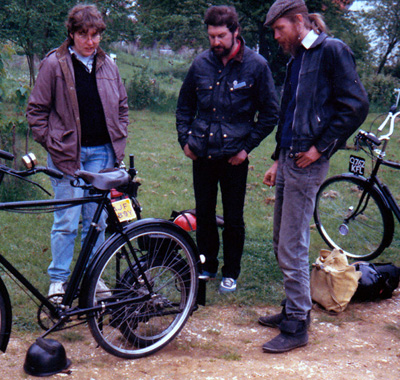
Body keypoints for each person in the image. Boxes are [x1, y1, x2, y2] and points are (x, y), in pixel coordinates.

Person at [259, 0, 369, 353]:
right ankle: (296, 305)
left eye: (280, 29)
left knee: (292, 244)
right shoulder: (296, 60)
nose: (277, 37)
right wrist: (277, 158)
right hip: (290, 159)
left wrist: (321, 148)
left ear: (299, 21)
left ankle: (297, 324)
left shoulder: (332, 51)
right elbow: (288, 113)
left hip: (309, 161)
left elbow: (356, 105)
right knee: (280, 241)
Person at [26, 4, 129, 302]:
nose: (91, 41)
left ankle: (93, 278)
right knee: (66, 221)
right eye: (84, 34)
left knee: (95, 222)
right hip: (67, 158)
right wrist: (53, 142)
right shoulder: (53, 65)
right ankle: (58, 281)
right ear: (71, 34)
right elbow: (37, 111)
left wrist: (118, 136)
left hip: (102, 156)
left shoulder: (109, 65)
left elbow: (122, 106)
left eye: (96, 34)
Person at [176, 5, 279, 293]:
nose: (216, 42)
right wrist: (185, 140)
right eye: (211, 36)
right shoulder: (200, 65)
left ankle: (230, 272)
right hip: (202, 153)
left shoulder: (256, 66)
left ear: (236, 32)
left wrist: (246, 148)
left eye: (221, 35)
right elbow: (184, 106)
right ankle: (207, 266)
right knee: (204, 213)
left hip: (235, 158)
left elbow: (270, 114)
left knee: (233, 218)